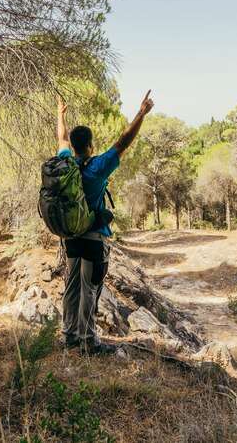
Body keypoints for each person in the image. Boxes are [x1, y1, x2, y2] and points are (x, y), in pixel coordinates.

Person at [57, 90, 154, 353]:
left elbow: (62, 137)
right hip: (93, 238)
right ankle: (89, 342)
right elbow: (123, 142)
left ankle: (69, 337)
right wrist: (141, 113)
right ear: (90, 145)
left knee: (72, 288)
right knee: (90, 289)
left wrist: (60, 114)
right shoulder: (96, 167)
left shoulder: (65, 163)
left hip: (71, 238)